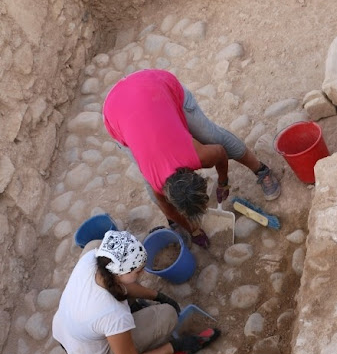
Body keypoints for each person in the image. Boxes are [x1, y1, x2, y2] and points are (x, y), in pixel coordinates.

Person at [102, 69, 281, 248]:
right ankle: (175, 224)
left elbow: (220, 152)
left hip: (155, 86)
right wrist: (192, 229)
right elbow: (166, 207)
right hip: (115, 111)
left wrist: (223, 182)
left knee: (213, 137)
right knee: (151, 183)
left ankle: (261, 169)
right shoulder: (155, 184)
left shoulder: (199, 155)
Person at [52, 230, 210, 354]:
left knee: (94, 244)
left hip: (67, 328)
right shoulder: (113, 314)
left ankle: (131, 320)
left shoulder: (91, 259)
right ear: (120, 273)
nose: (142, 273)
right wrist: (175, 346)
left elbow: (124, 285)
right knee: (168, 315)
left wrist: (158, 296)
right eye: (138, 271)